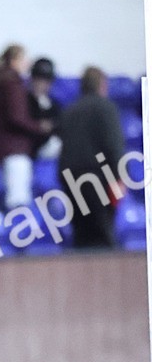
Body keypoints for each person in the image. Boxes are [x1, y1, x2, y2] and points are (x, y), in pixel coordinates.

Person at [58, 67, 125, 249]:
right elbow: (113, 144)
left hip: (71, 177)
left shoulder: (69, 111)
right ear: (102, 85)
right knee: (102, 233)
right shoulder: (106, 108)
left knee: (81, 234)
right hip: (97, 178)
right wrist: (119, 176)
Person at [0, 44, 52, 209]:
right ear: (15, 61)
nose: (27, 63)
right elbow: (17, 118)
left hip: (1, 148)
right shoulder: (12, 85)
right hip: (14, 151)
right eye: (24, 59)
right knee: (18, 202)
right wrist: (40, 127)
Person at [28, 57, 63, 159]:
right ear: (32, 80)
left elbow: (60, 124)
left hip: (54, 148)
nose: (42, 85)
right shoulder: (25, 102)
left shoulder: (54, 104)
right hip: (34, 149)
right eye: (38, 80)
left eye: (46, 81)